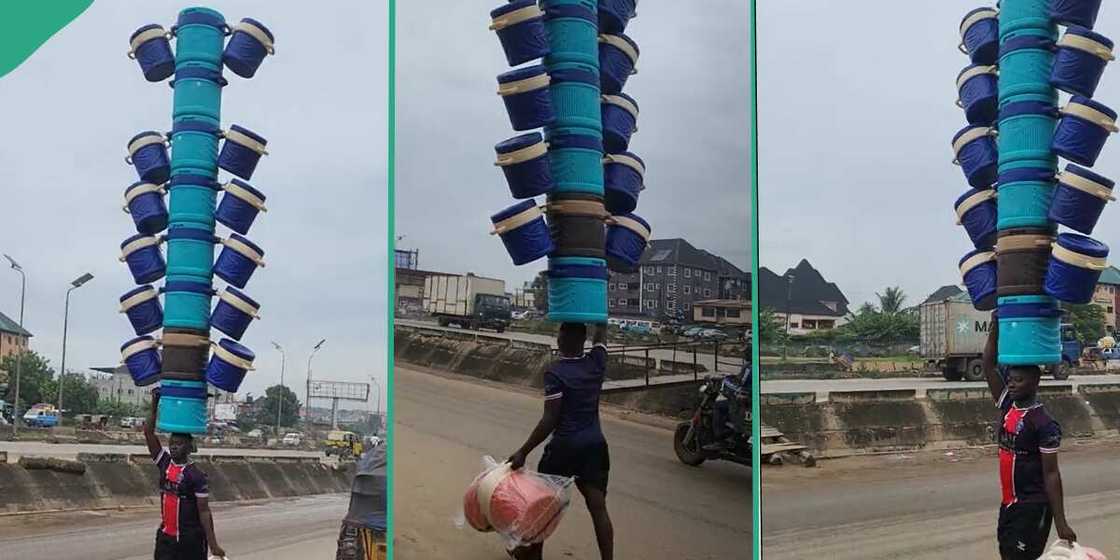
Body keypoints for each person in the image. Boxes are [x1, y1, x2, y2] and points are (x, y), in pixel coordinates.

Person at [507, 322, 614, 560]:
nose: (557, 338)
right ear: (584, 339)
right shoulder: (596, 363)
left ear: (561, 340)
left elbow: (550, 419)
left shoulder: (555, 372)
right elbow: (602, 334)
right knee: (598, 507)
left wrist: (523, 451)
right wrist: (599, 315)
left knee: (543, 505)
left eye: (559, 334)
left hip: (564, 449)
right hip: (595, 447)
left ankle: (533, 554)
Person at [982, 317, 1076, 559]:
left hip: (1032, 507)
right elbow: (989, 366)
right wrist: (995, 327)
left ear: (1035, 383)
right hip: (1009, 504)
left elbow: (1052, 474)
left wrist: (1061, 523)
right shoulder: (1008, 406)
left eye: (1019, 380)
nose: (1012, 384)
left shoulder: (1043, 424)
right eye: (1011, 380)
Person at [143, 388, 226, 560]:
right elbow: (149, 433)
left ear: (189, 448)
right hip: (166, 539)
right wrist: (154, 403)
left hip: (190, 542)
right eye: (172, 443)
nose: (173, 446)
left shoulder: (196, 476)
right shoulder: (164, 464)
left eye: (179, 444)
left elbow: (204, 512)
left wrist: (213, 545)